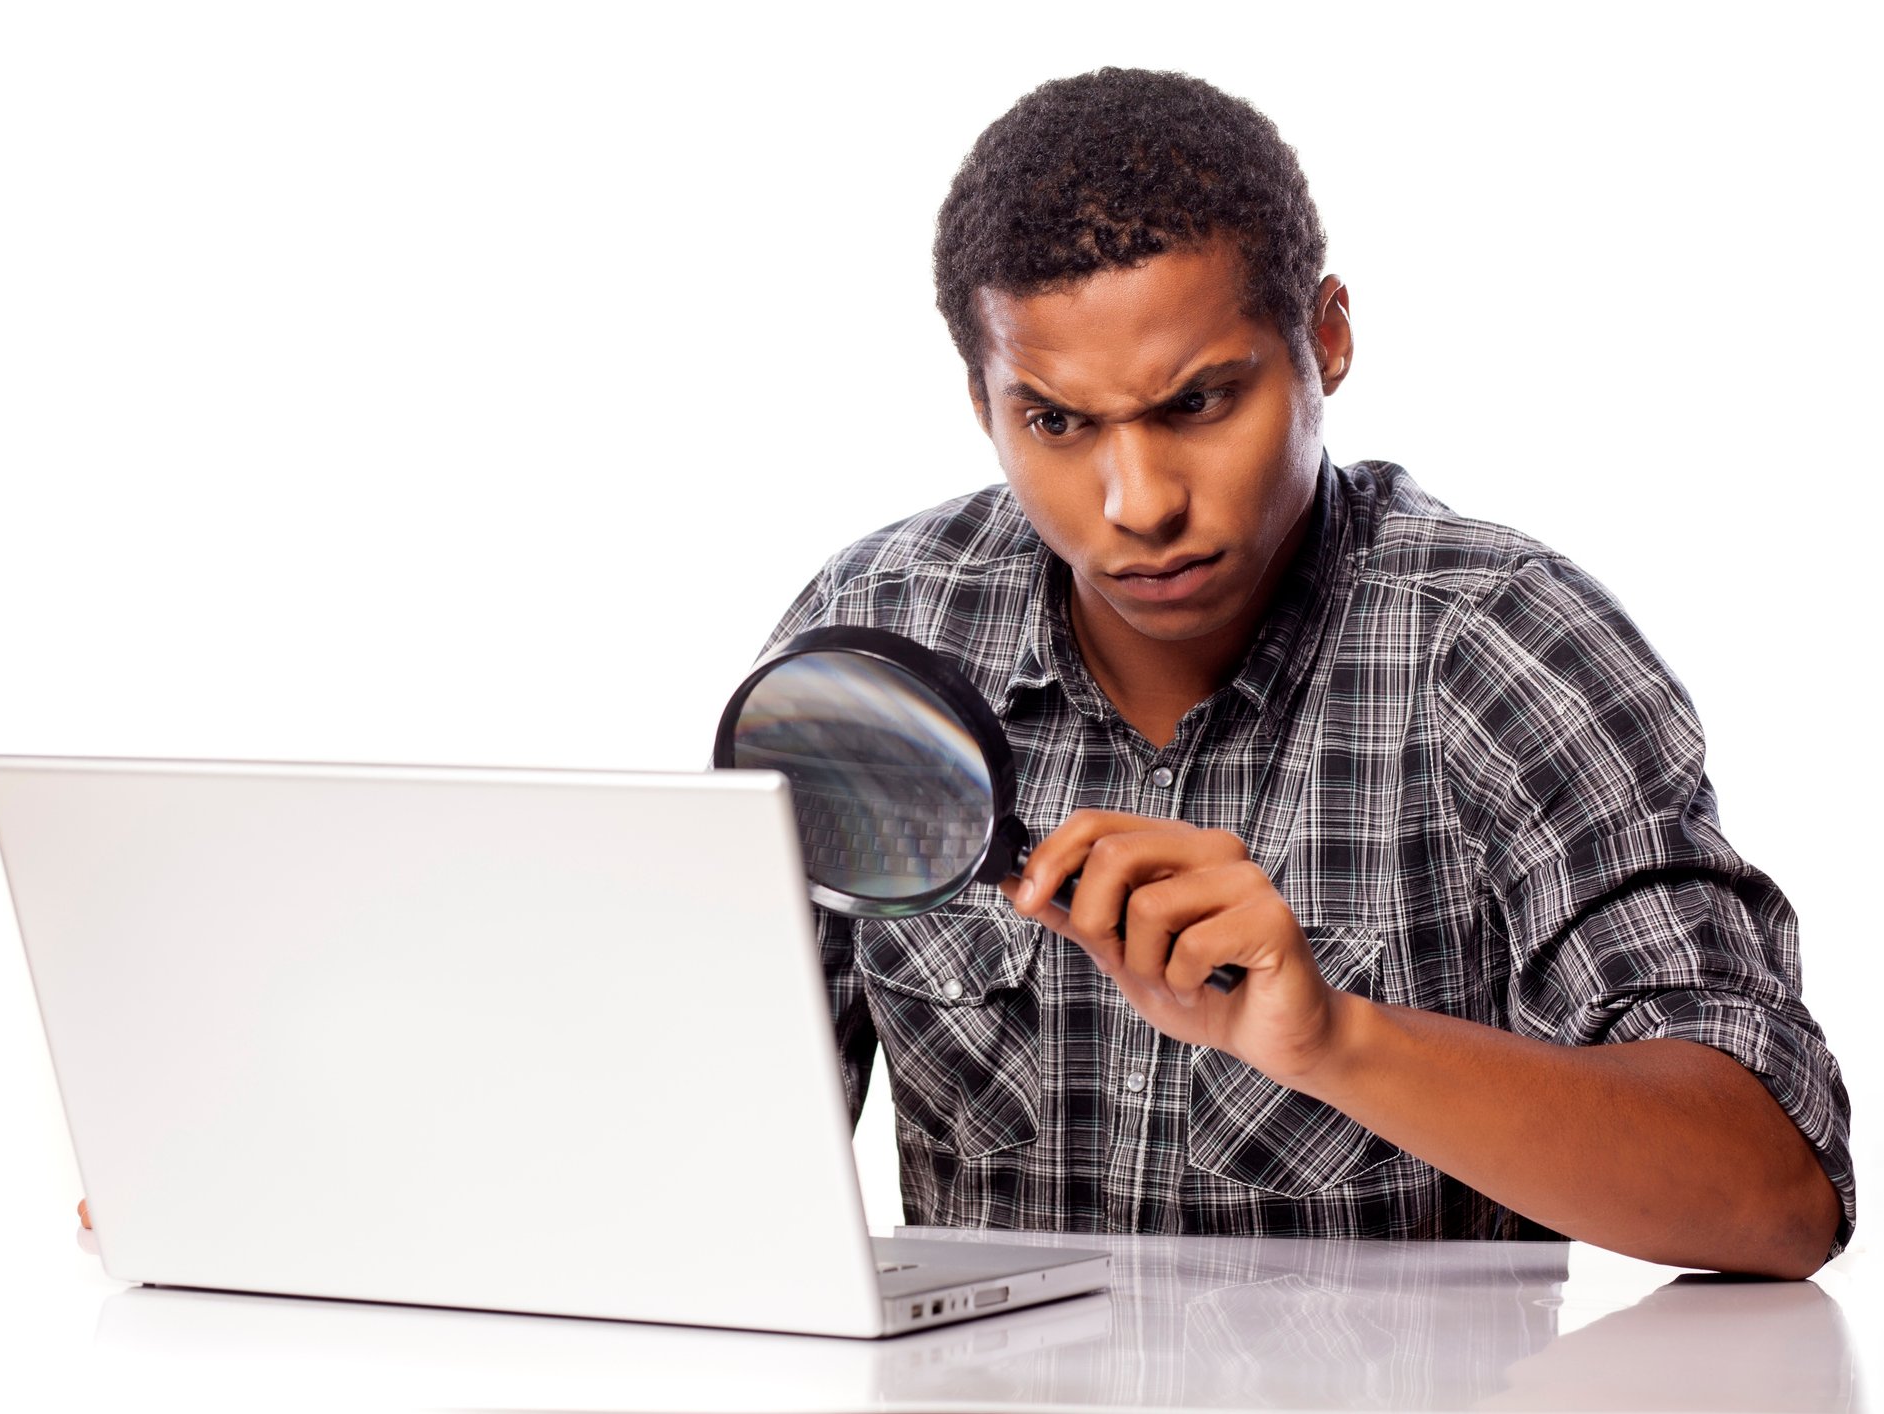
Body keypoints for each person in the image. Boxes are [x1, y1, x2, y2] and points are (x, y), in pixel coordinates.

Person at [758, 67, 1853, 1277]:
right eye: (1057, 422)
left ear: (1326, 338)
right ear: (983, 400)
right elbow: (707, 1141)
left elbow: (1779, 1194)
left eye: (1198, 402)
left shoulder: (1502, 646)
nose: (1139, 505)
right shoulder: (880, 631)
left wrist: (1334, 1036)